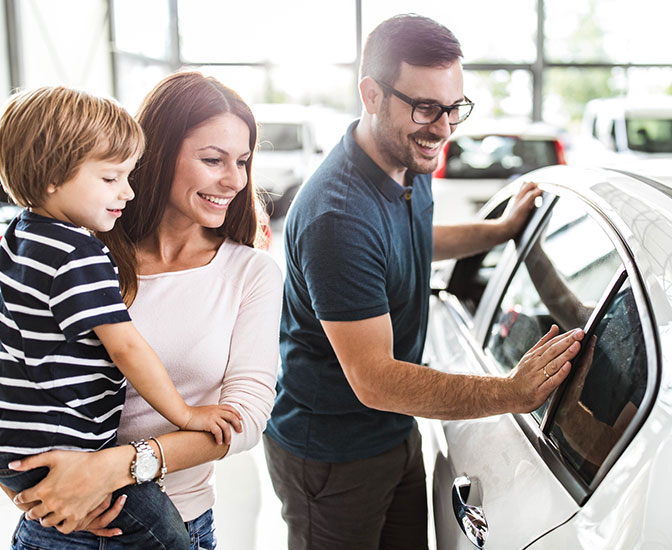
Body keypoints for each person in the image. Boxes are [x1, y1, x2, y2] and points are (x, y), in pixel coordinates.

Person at [263, 14, 584, 550]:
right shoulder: (337, 217)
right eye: (425, 108)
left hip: (392, 431)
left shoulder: (406, 160)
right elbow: (376, 380)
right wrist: (512, 392)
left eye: (454, 107)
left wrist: (498, 230)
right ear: (371, 94)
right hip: (332, 455)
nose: (443, 128)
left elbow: (412, 239)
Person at [2, 72, 283, 550]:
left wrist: (111, 468)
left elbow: (246, 419)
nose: (234, 180)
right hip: (59, 523)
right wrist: (29, 491)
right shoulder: (81, 251)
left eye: (243, 161)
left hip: (173, 517)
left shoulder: (249, 272)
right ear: (153, 156)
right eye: (213, 160)